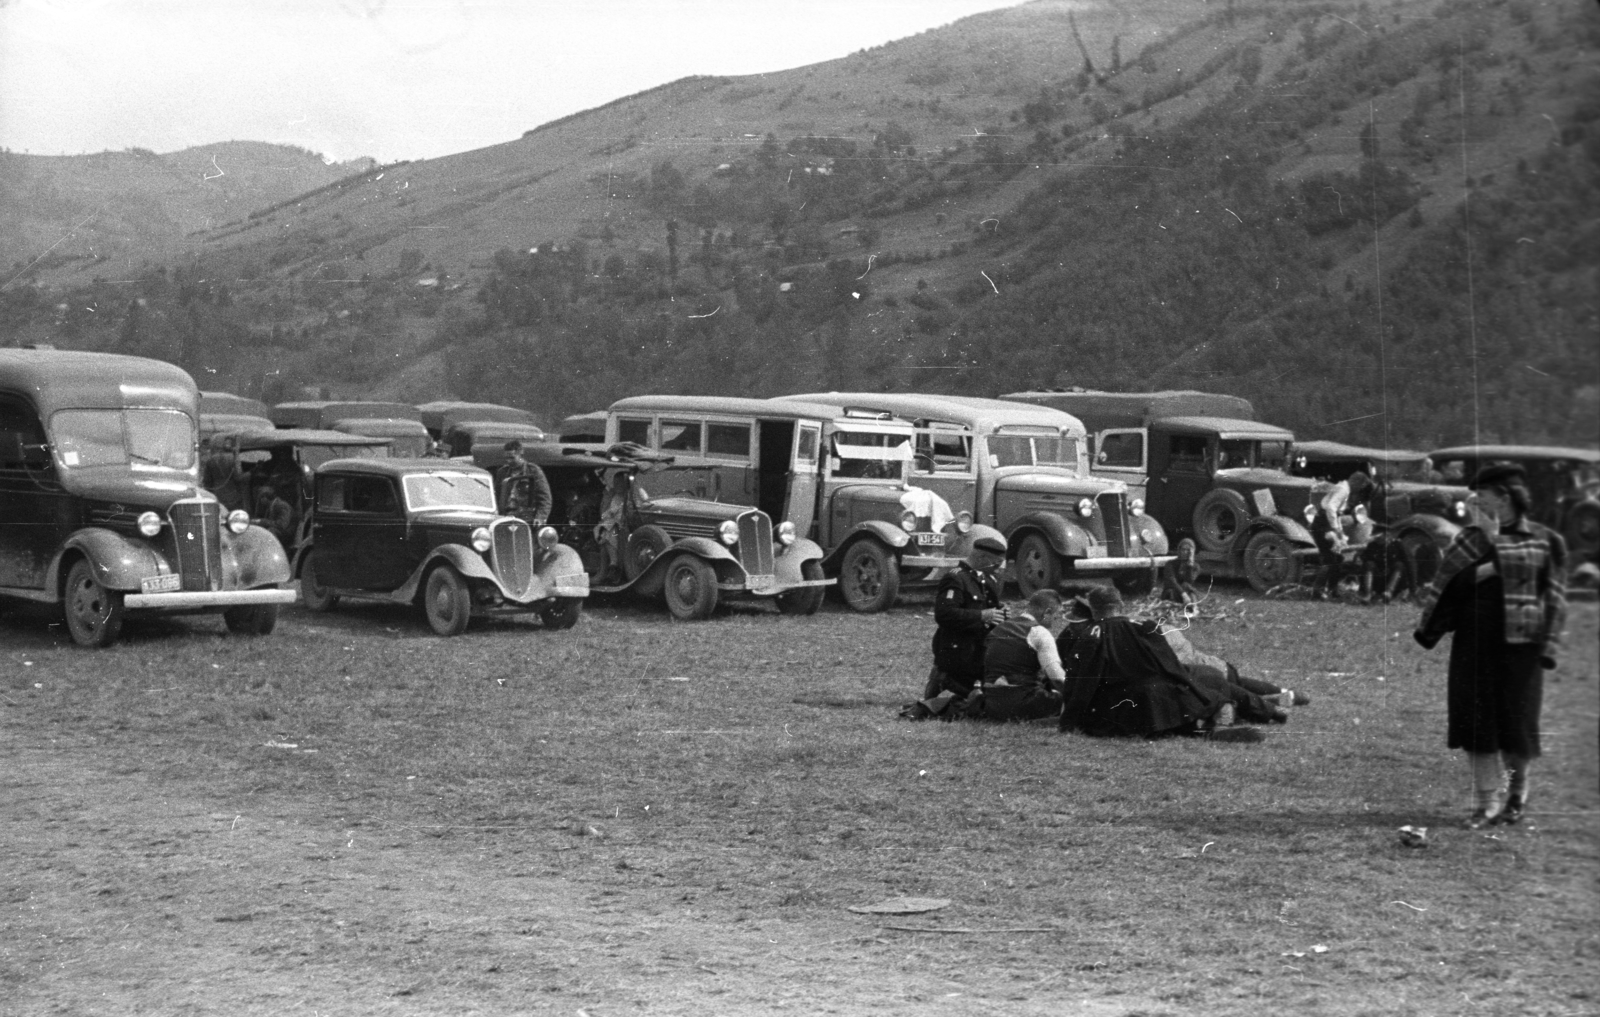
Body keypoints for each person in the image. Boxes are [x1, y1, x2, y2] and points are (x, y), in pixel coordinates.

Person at [1415, 463, 1567, 829]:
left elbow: (1556, 599)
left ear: (1507, 498)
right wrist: (1483, 567)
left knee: (1517, 728)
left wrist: (1549, 645)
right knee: (1475, 726)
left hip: (1521, 648)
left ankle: (1516, 797)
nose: (1476, 508)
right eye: (1474, 501)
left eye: (1483, 500)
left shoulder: (1545, 540)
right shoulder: (1467, 540)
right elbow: (1448, 587)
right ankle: (1487, 804)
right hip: (1474, 643)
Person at [1058, 587, 1273, 741]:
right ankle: (1241, 719)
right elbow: (1171, 667)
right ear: (1121, 605)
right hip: (1161, 701)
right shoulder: (1145, 626)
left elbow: (1081, 685)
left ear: (1094, 610)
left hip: (1121, 714)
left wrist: (1068, 722)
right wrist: (1193, 691)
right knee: (1218, 697)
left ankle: (1209, 725)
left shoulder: (1090, 636)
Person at [923, 536, 1007, 701]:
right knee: (979, 699)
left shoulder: (986, 579)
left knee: (991, 693)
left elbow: (990, 608)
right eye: (996, 563)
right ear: (982, 558)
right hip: (957, 648)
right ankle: (942, 679)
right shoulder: (955, 578)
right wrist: (982, 615)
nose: (998, 568)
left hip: (978, 647)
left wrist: (1000, 613)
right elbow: (944, 614)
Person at [977, 590, 1068, 722]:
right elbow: (1057, 678)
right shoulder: (1039, 632)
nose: (1056, 621)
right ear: (1047, 613)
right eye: (1056, 615)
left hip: (992, 705)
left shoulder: (998, 629)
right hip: (1024, 703)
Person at [497, 439, 552, 527]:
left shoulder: (534, 471)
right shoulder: (502, 472)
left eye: (512, 458)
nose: (508, 461)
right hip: (506, 516)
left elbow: (545, 498)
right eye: (506, 458)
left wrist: (541, 517)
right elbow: (497, 495)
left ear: (520, 455)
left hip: (526, 517)